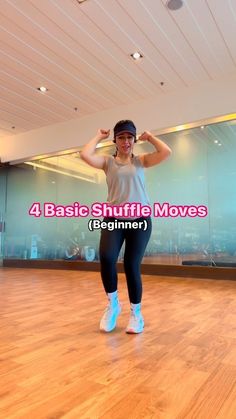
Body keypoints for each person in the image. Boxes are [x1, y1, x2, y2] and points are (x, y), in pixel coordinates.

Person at [80, 120, 172, 334]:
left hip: (140, 220)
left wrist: (149, 137)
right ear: (115, 140)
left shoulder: (141, 161)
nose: (126, 141)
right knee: (107, 257)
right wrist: (97, 136)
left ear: (134, 140)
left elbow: (166, 152)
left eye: (130, 137)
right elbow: (85, 155)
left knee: (131, 265)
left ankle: (136, 314)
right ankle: (113, 305)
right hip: (114, 219)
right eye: (121, 137)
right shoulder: (107, 162)